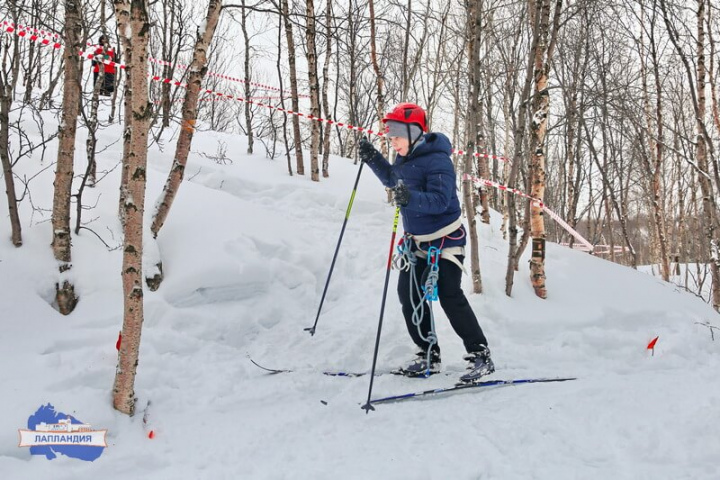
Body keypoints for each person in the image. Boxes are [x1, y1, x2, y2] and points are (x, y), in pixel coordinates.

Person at [358, 102, 494, 383]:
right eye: (389, 133)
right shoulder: (402, 158)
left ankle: (480, 354)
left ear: (415, 131)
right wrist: (372, 158)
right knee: (408, 295)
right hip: (416, 242)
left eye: (396, 133)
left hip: (446, 240)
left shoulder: (438, 160)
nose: (391, 139)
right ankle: (428, 353)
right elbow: (394, 179)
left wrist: (410, 198)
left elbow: (440, 200)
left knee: (449, 294)